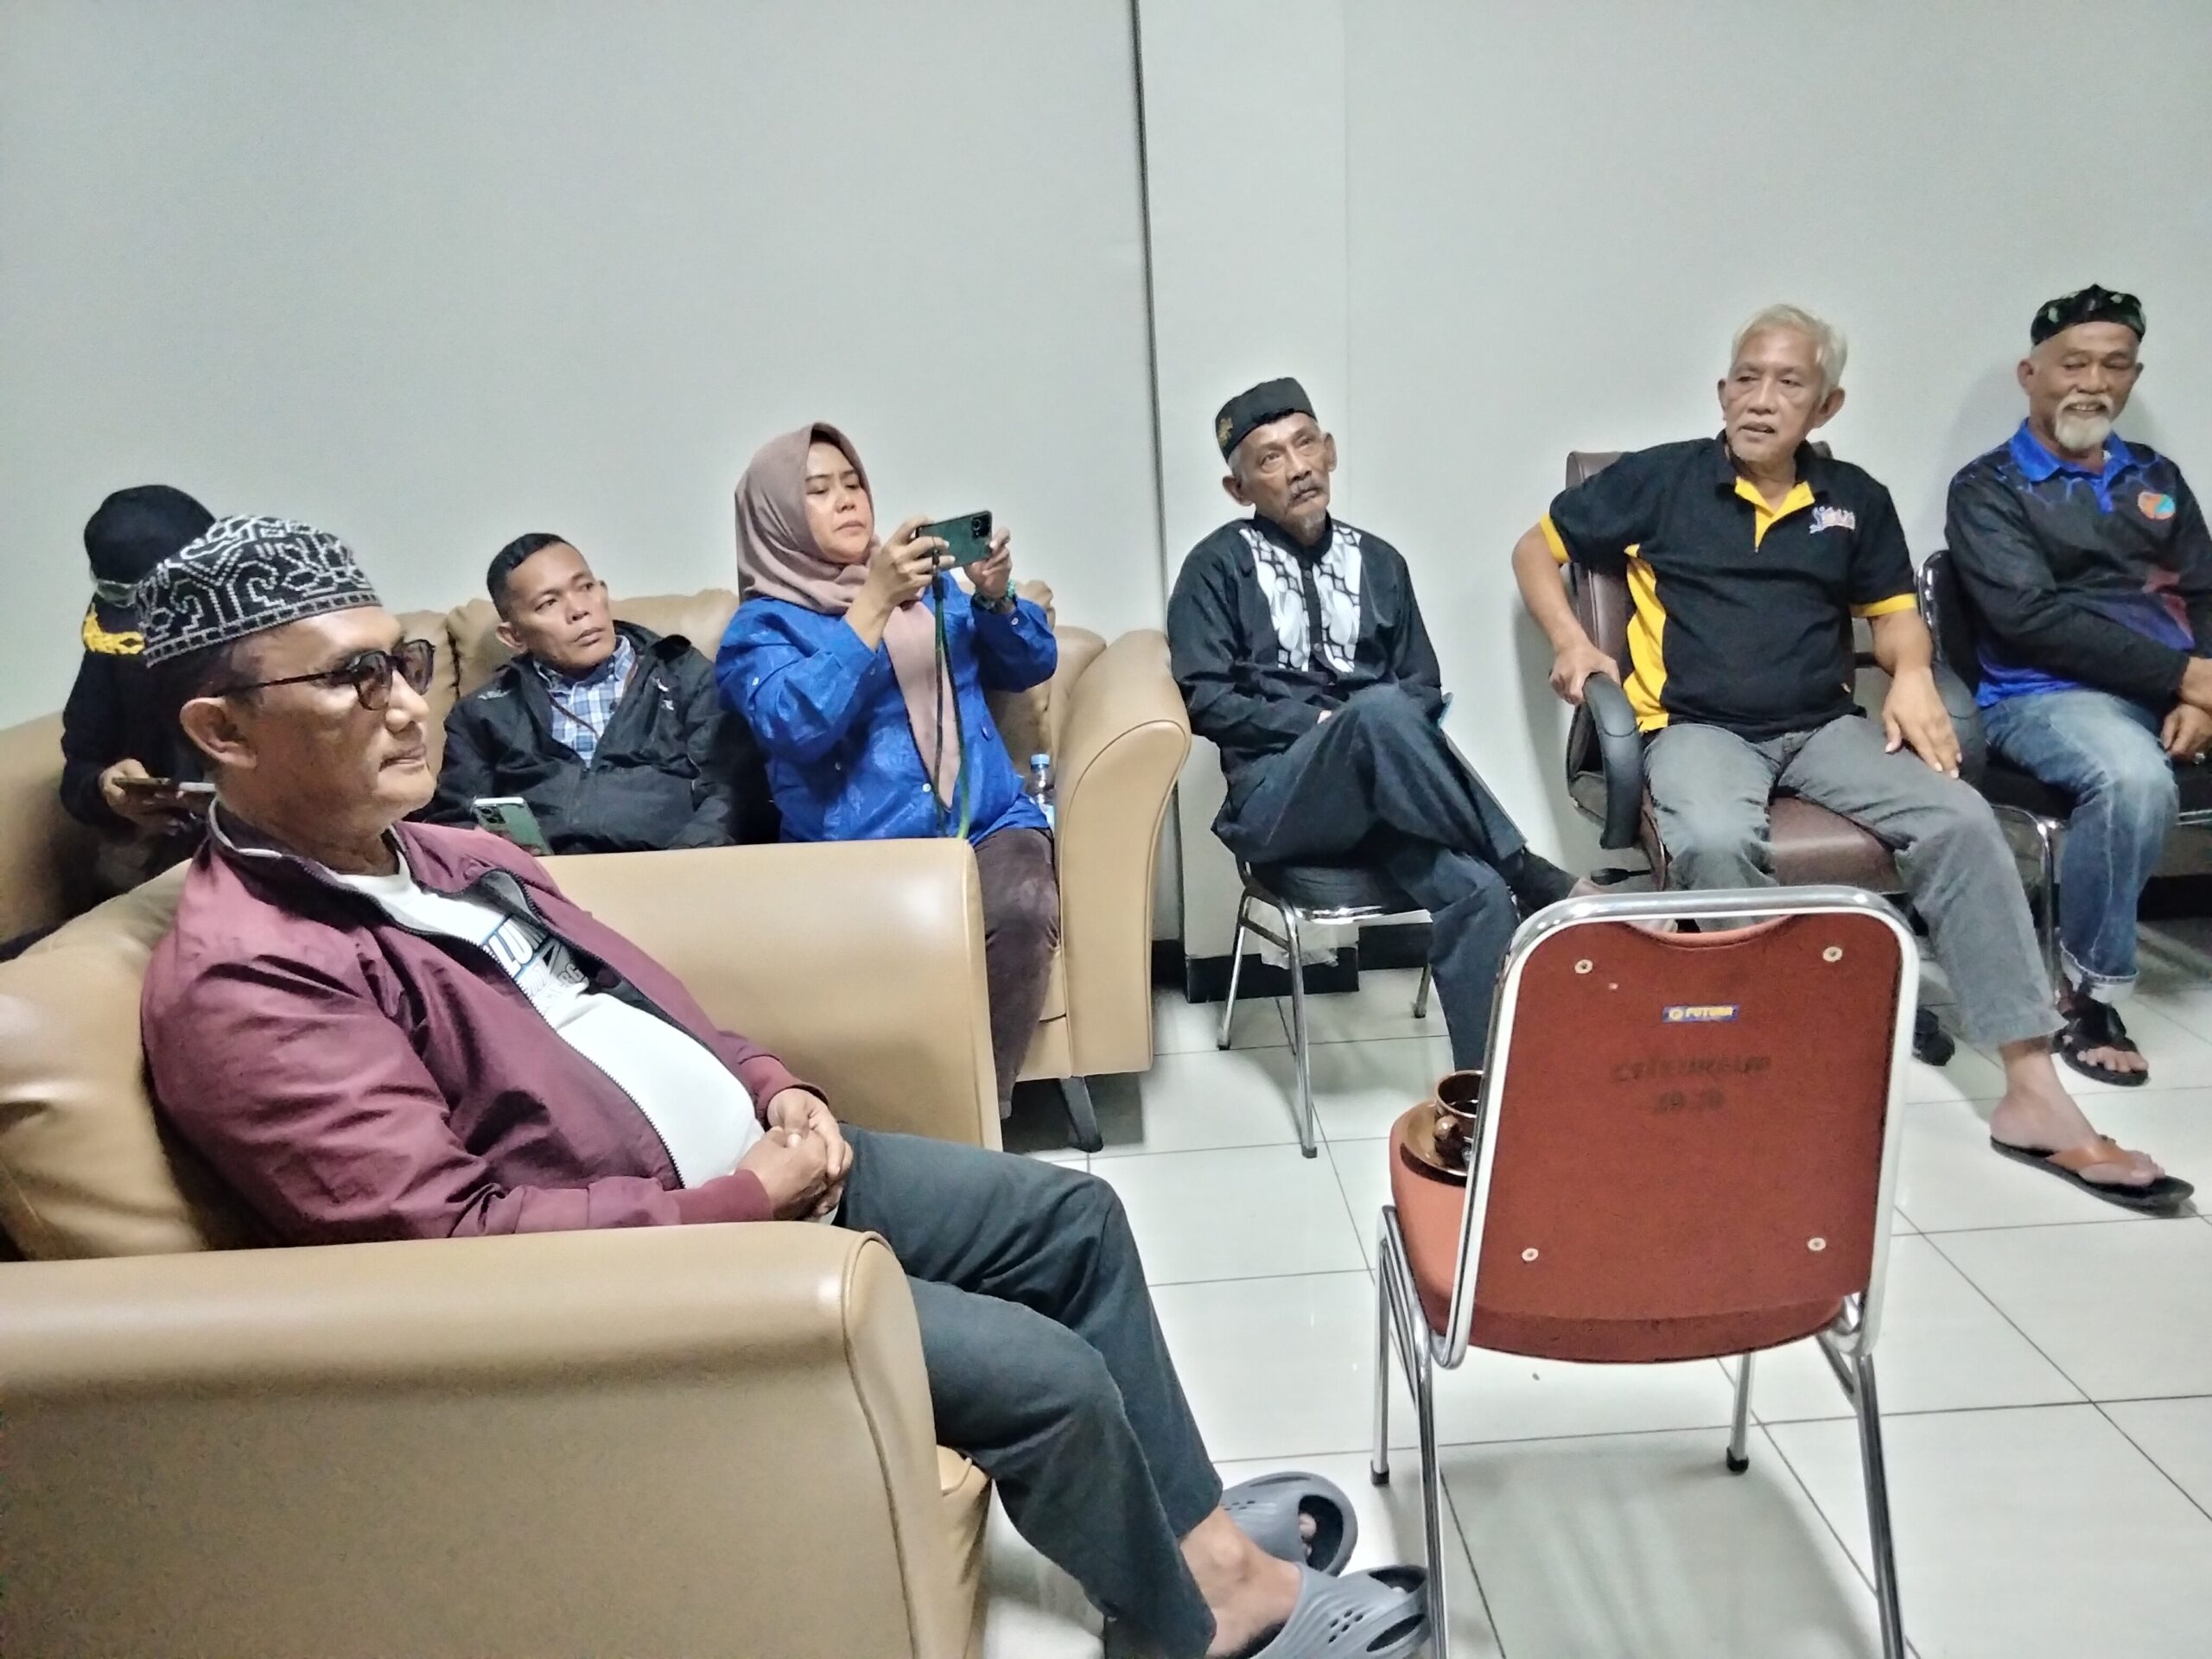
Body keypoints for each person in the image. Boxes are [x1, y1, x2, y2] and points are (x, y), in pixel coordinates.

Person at [136, 513, 1427, 1659]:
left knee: (1074, 1219)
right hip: (668, 1271)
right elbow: (448, 1245)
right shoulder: (249, 980)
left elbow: (639, 997)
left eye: (403, 663)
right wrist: (746, 1197)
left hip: (754, 1169)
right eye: (351, 680)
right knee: (1048, 1379)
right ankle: (1195, 1624)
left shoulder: (444, 851)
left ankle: (1198, 1547)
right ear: (221, 731)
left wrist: (767, 1083)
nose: (408, 707)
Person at [1510, 303, 2192, 1214]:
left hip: (1823, 727)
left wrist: (1908, 675)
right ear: (1722, 391)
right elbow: (1535, 548)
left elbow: (1895, 617)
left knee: (1960, 820)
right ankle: (1771, 1064)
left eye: (1788, 383)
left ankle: (2032, 1089)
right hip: (1696, 725)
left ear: (1825, 406)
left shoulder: (1853, 500)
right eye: (1746, 379)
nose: (1761, 399)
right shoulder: (1660, 479)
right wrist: (1573, 642)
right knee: (1711, 838)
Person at [1167, 377, 1576, 1071]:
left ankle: (1489, 1098)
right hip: (1278, 802)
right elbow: (1207, 702)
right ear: (1239, 489)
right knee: (1376, 712)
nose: (1297, 467)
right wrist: (1329, 723)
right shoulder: (1214, 569)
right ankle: (1526, 868)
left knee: (1478, 893)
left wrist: (1373, 728)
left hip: (1390, 803)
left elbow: (1422, 687)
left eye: (1305, 445)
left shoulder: (1382, 562)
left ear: (1330, 451)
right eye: (1269, 458)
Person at [717, 425, 1060, 1117]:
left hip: (986, 823)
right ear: (777, 517)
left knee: (1024, 904)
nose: (848, 501)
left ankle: (978, 1122)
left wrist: (995, 598)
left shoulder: (931, 591)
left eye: (853, 483)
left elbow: (1030, 665)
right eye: (818, 491)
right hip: (856, 854)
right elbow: (793, 727)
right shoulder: (761, 631)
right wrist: (870, 605)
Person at [1948, 285, 2212, 1086]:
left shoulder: (2156, 476)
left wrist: (2198, 694)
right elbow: (2029, 619)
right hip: (2044, 697)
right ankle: (2088, 991)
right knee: (2131, 779)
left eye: (2114, 366)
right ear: (2031, 374)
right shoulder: (1990, 486)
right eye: (2073, 365)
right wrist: (2186, 677)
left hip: (2177, 691)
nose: (2092, 383)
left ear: (2134, 377)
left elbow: (2204, 594)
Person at [427, 533, 764, 853]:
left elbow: (730, 792)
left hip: (670, 867)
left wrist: (682, 864)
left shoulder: (683, 676)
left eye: (585, 587)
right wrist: (504, 859)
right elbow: (454, 820)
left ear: (603, 591)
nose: (579, 609)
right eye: (548, 603)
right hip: (544, 879)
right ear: (514, 636)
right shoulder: (482, 713)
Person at [60, 484, 218, 894]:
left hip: (278, 860)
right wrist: (106, 790)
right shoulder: (113, 654)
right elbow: (79, 769)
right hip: (159, 866)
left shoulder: (286, 647)